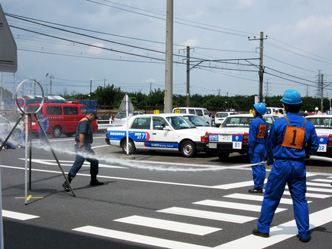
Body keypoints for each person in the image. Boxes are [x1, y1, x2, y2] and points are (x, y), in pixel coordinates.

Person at [252, 89, 319, 243]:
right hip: (298, 165)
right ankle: (303, 232)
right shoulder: (307, 125)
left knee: (271, 196)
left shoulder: (279, 123)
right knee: (300, 199)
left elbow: (271, 143)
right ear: (299, 105)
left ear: (285, 106)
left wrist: (270, 159)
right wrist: (305, 152)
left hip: (281, 164)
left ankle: (263, 228)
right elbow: (314, 146)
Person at [63, 109, 103, 191]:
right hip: (82, 146)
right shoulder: (85, 121)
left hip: (86, 146)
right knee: (78, 163)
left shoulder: (87, 121)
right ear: (91, 115)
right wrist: (81, 144)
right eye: (94, 117)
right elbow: (82, 133)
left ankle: (93, 180)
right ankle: (67, 182)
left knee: (94, 161)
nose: (94, 119)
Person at [248, 103, 268, 193]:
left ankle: (257, 186)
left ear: (257, 111)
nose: (253, 111)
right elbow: (266, 137)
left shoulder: (254, 122)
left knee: (256, 167)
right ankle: (260, 185)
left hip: (256, 146)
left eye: (254, 110)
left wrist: (250, 150)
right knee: (262, 167)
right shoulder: (264, 122)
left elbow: (252, 138)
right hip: (262, 146)